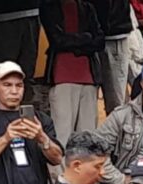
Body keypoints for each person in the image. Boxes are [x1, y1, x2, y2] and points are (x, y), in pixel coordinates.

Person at [40, 0, 105, 147]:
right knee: (62, 133)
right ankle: (60, 170)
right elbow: (57, 40)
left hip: (88, 77)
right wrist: (86, 39)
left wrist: (75, 44)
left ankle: (87, 169)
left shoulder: (88, 6)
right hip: (62, 76)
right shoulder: (49, 6)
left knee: (88, 135)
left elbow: (100, 41)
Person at [91, 0, 134, 113]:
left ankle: (121, 129)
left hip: (113, 33)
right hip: (88, 35)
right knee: (88, 104)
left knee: (116, 103)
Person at [0, 0, 41, 97]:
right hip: (4, 14)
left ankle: (25, 96)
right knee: (4, 67)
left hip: (32, 12)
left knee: (28, 61)